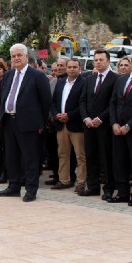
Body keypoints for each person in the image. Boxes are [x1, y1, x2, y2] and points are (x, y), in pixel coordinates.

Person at [0, 43, 51, 202]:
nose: (16, 58)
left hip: (29, 124)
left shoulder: (37, 76)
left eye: (19, 55)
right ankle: (13, 186)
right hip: (9, 121)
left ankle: (31, 189)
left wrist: (41, 123)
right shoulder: (8, 75)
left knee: (30, 158)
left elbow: (45, 101)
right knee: (11, 156)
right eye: (13, 56)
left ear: (26, 56)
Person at [78, 49, 117, 200]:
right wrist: (86, 118)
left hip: (105, 125)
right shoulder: (89, 79)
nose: (98, 62)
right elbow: (82, 101)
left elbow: (113, 103)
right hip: (88, 125)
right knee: (91, 156)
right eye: (96, 60)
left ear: (108, 61)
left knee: (106, 159)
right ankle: (93, 186)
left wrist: (100, 118)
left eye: (101, 59)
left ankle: (108, 188)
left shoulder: (115, 79)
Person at [109, 50, 132, 207]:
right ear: (131, 63)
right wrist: (114, 123)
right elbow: (113, 102)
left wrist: (129, 126)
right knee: (119, 161)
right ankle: (122, 193)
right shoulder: (121, 80)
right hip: (117, 129)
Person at [50, 59, 87, 193]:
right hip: (61, 124)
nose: (71, 69)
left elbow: (83, 104)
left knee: (80, 156)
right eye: (69, 67)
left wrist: (69, 115)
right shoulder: (60, 83)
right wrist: (56, 115)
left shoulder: (84, 83)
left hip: (76, 124)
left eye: (74, 67)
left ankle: (81, 182)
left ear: (79, 68)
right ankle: (64, 180)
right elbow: (53, 102)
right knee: (63, 153)